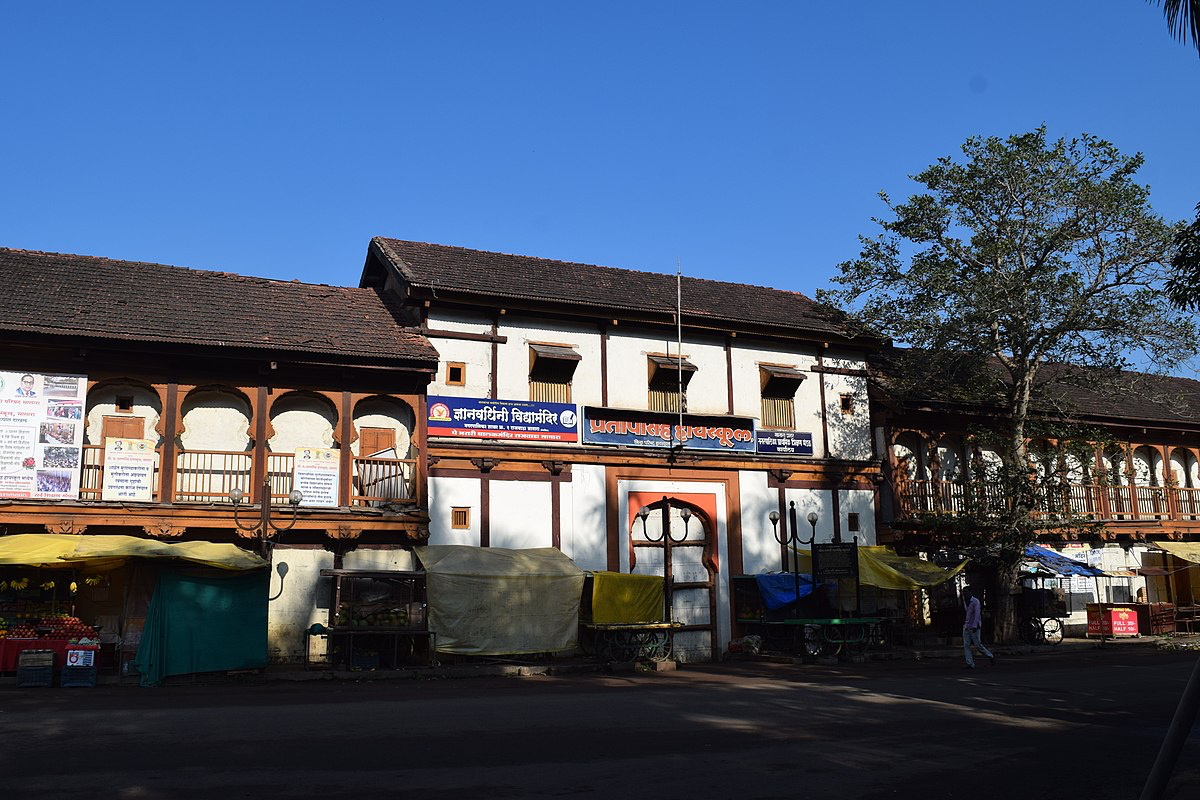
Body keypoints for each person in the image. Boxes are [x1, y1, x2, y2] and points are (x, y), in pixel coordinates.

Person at [962, 587, 995, 668]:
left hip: (974, 626)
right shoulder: (965, 601)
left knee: (978, 645)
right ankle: (970, 663)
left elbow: (977, 614)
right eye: (963, 592)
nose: (964, 594)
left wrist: (974, 626)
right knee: (966, 645)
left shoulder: (975, 601)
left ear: (970, 592)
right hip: (967, 626)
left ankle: (990, 655)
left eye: (966, 592)